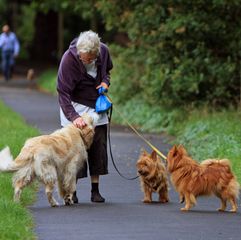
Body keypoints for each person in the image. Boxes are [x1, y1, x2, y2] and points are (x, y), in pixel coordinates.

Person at [57, 30, 113, 203]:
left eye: (90, 58)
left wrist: (105, 82)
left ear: (96, 52)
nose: (86, 60)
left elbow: (107, 72)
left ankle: (95, 190)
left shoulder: (103, 50)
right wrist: (74, 117)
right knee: (75, 151)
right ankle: (72, 191)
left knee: (98, 145)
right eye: (84, 58)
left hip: (97, 106)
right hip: (74, 105)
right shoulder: (69, 58)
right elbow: (63, 92)